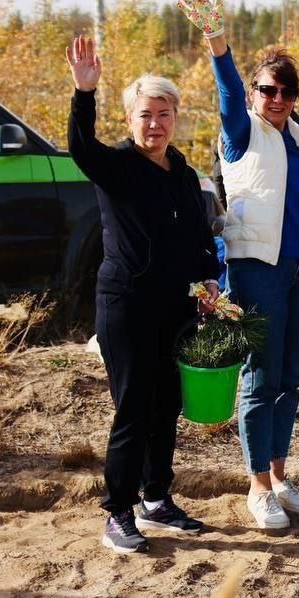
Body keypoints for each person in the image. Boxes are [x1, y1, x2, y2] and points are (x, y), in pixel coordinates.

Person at [178, 0, 299, 531]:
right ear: (254, 92)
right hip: (257, 268)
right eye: (268, 89)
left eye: (287, 91)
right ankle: (257, 485)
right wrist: (218, 42)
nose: (277, 99)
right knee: (260, 375)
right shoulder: (242, 133)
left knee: (291, 375)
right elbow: (225, 92)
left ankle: (280, 474)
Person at [66, 36, 218, 554]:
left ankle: (157, 498)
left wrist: (210, 278)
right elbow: (80, 148)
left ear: (176, 117)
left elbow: (200, 239)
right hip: (126, 306)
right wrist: (85, 93)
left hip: (176, 307)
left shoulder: (184, 174)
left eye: (164, 114)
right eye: (145, 115)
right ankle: (118, 511)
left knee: (167, 404)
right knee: (133, 407)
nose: (155, 124)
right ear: (130, 119)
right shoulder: (117, 167)